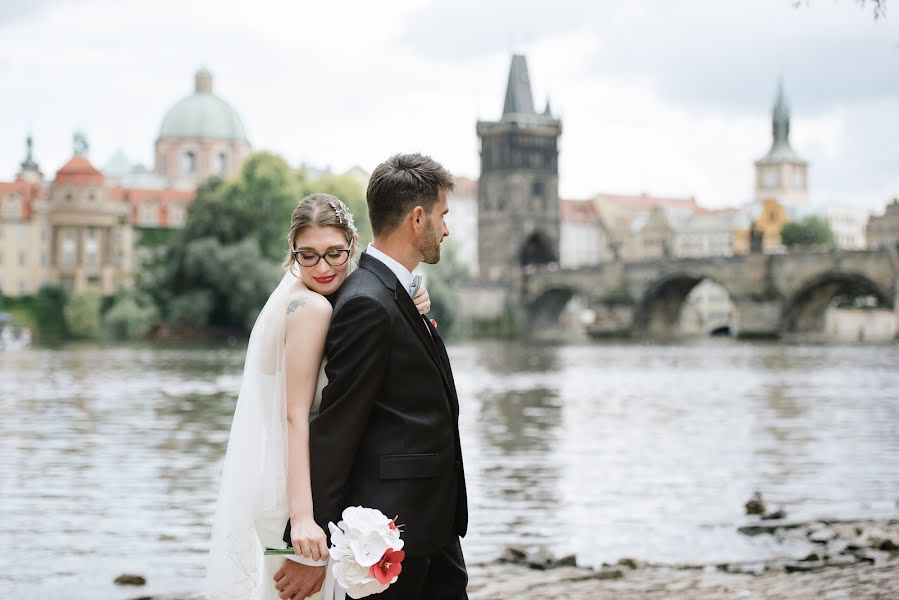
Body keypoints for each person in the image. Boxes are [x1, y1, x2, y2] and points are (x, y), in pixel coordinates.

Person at [204, 192, 433, 600]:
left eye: (334, 253)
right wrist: (304, 520)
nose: (323, 267)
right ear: (292, 252)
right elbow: (295, 416)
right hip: (292, 488)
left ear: (353, 244)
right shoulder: (310, 309)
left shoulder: (308, 300)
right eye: (307, 255)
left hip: (286, 474)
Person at [275, 153, 468, 600]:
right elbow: (336, 428)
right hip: (389, 536)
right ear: (417, 218)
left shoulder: (394, 291)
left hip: (430, 527)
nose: (446, 228)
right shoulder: (367, 302)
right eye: (442, 215)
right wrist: (311, 549)